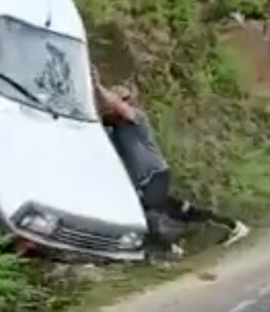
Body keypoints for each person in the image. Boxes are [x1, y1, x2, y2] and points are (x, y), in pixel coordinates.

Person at [93, 71, 249, 254]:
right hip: (145, 181)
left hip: (154, 176)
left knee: (144, 211)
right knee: (182, 211)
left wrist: (97, 86)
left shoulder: (137, 119)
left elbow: (119, 108)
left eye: (115, 104)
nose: (109, 108)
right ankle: (233, 226)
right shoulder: (112, 128)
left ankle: (167, 250)